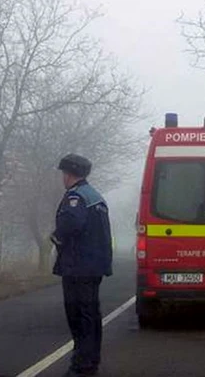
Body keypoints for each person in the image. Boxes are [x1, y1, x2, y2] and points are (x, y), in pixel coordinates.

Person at [51, 154, 113, 377]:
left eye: (63, 173)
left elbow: (70, 225)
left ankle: (81, 365)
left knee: (78, 315)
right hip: (93, 266)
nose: (62, 178)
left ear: (69, 174)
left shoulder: (76, 198)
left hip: (78, 266)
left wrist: (56, 238)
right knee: (91, 315)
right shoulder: (94, 196)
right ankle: (91, 359)